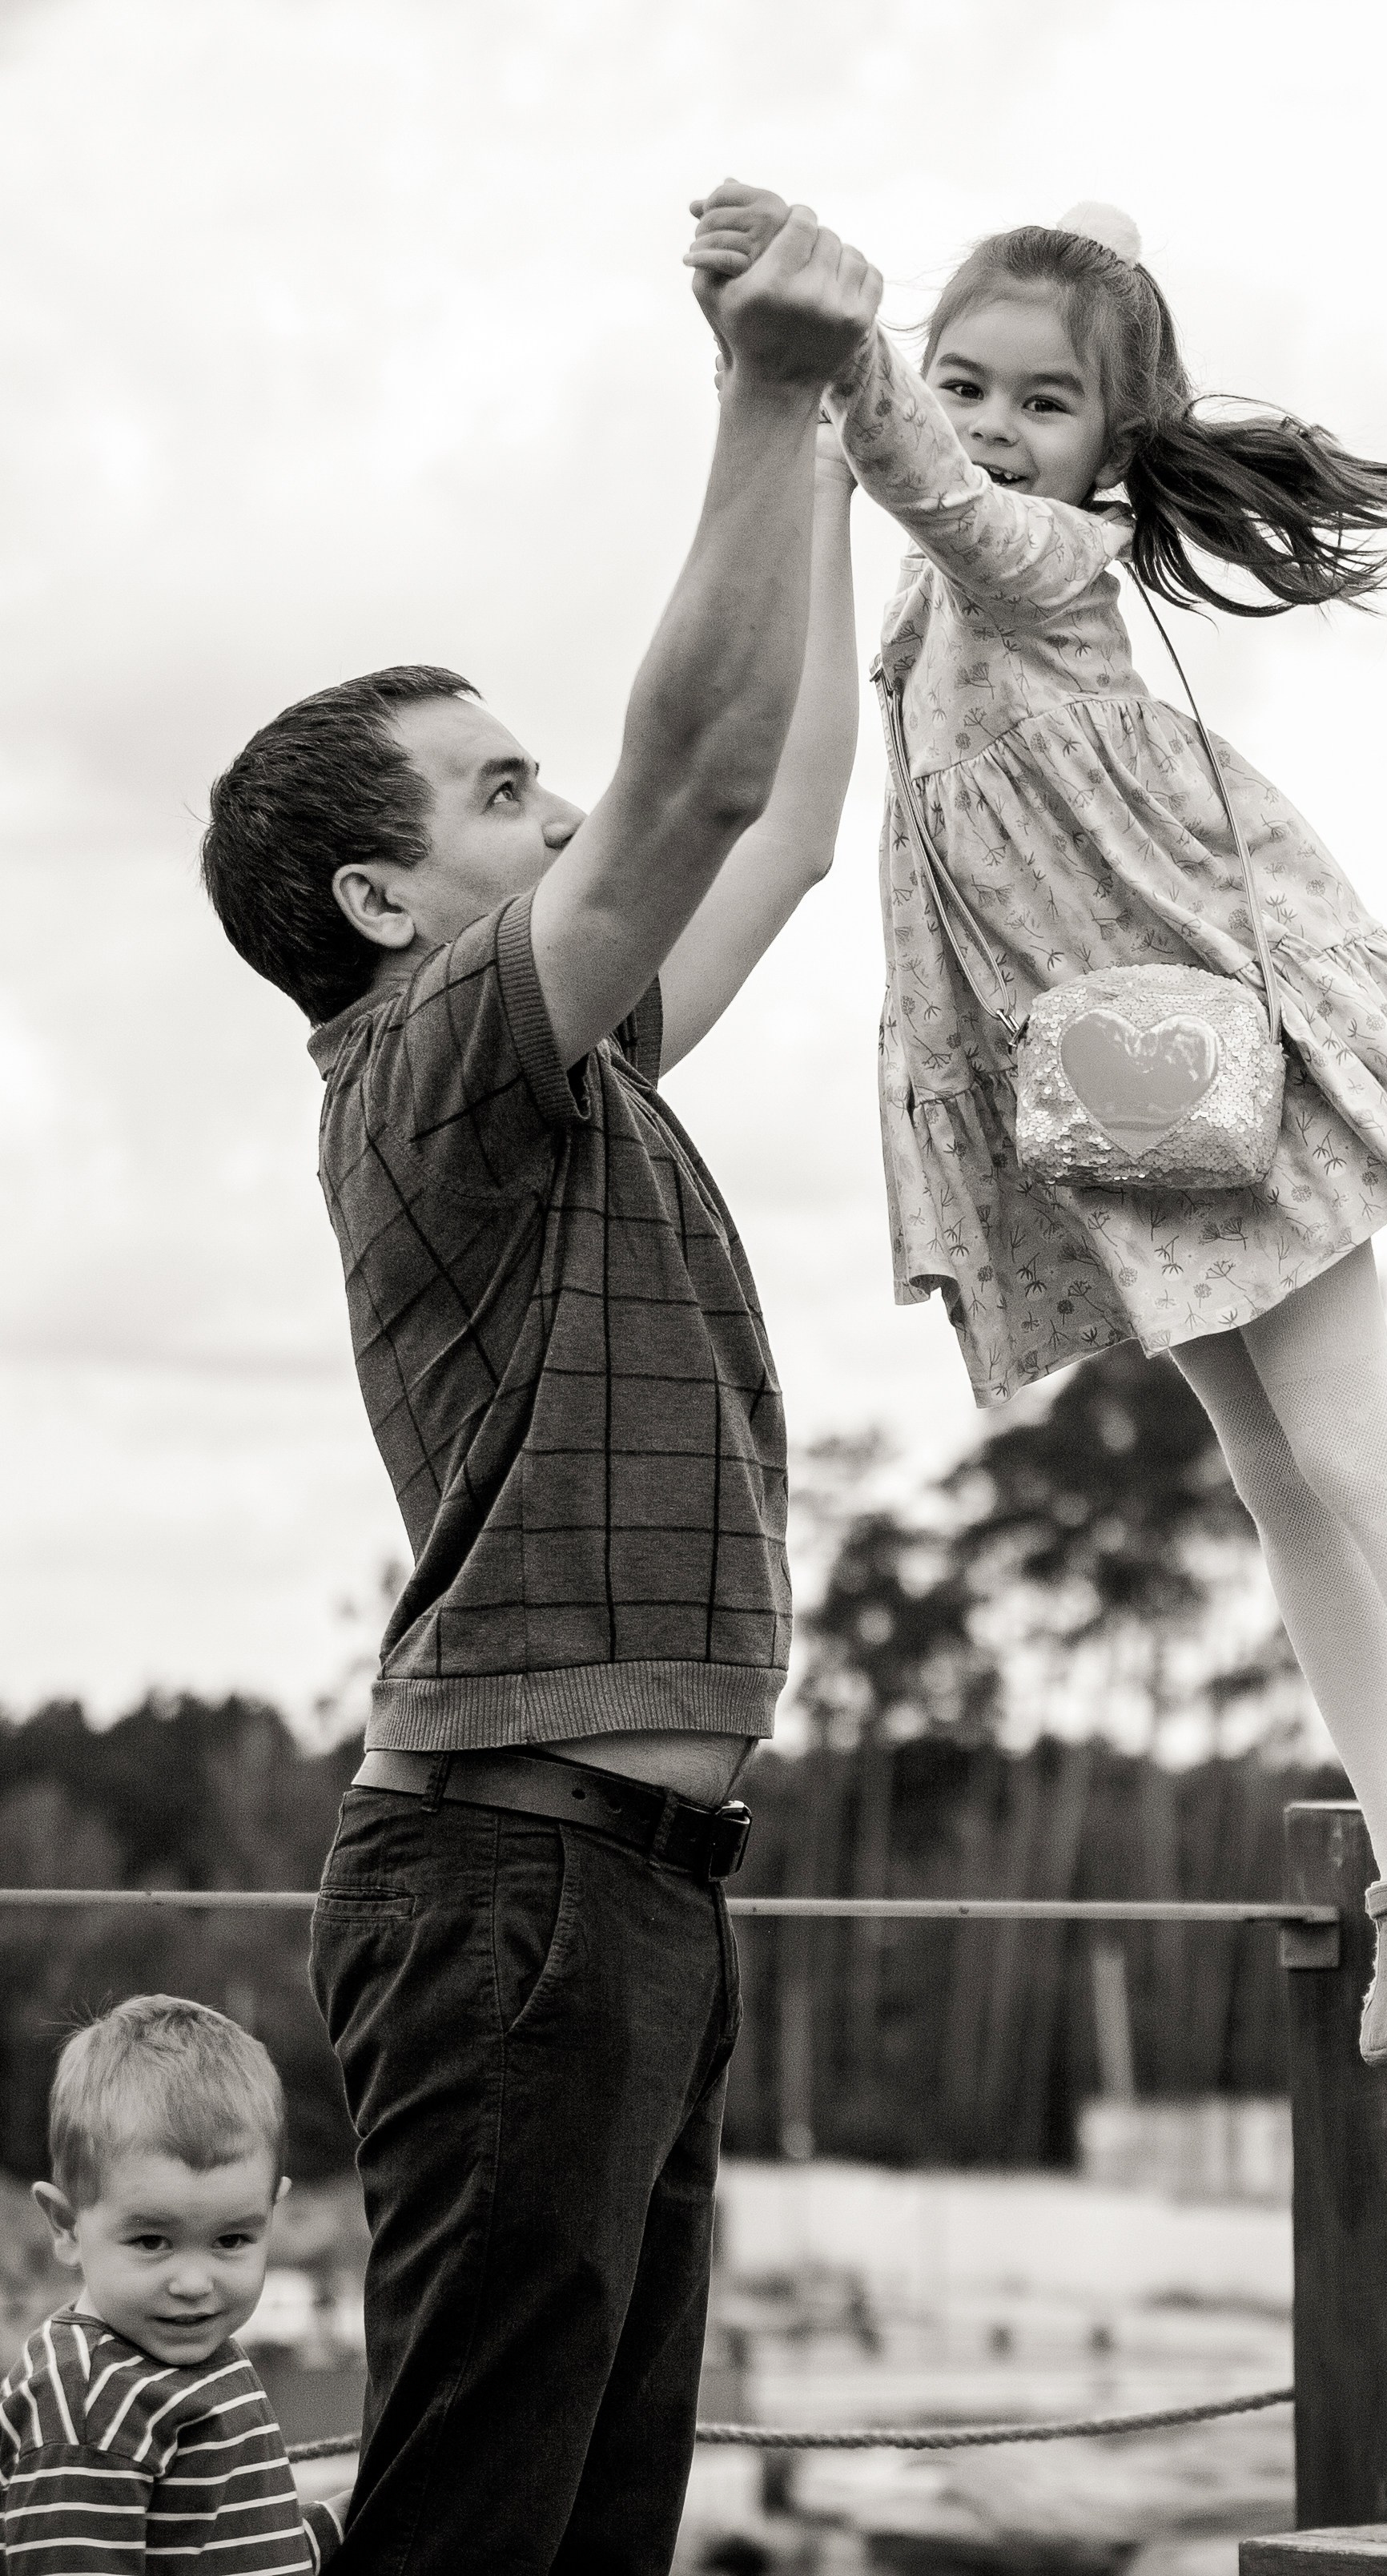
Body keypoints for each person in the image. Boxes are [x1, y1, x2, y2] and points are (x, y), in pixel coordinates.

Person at [688, 187, 1387, 2071]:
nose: (993, 425)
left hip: (1213, 1043)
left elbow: (928, 482)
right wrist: (770, 377)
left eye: (1042, 400)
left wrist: (837, 345)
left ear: (1112, 442)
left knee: (1350, 1433)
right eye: (967, 381)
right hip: (1109, 1088)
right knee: (1275, 1471)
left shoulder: (1039, 552)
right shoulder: (935, 588)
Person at [199, 203, 878, 2574]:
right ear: (384, 899)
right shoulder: (427, 1064)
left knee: (588, 2534)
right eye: (501, 792)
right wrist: (755, 394)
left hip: (633, 1884)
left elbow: (778, 817)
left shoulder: (573, 1070)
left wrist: (850, 441)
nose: (563, 812)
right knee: (475, 2536)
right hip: (520, 1878)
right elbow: (688, 779)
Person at [2, 1995, 342, 2570]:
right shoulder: (87, 2408)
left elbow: (230, 2551)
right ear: (66, 2227)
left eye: (231, 2240)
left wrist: (352, 2517)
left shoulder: (202, 2361)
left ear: (270, 2215)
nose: (192, 2282)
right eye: (151, 2242)